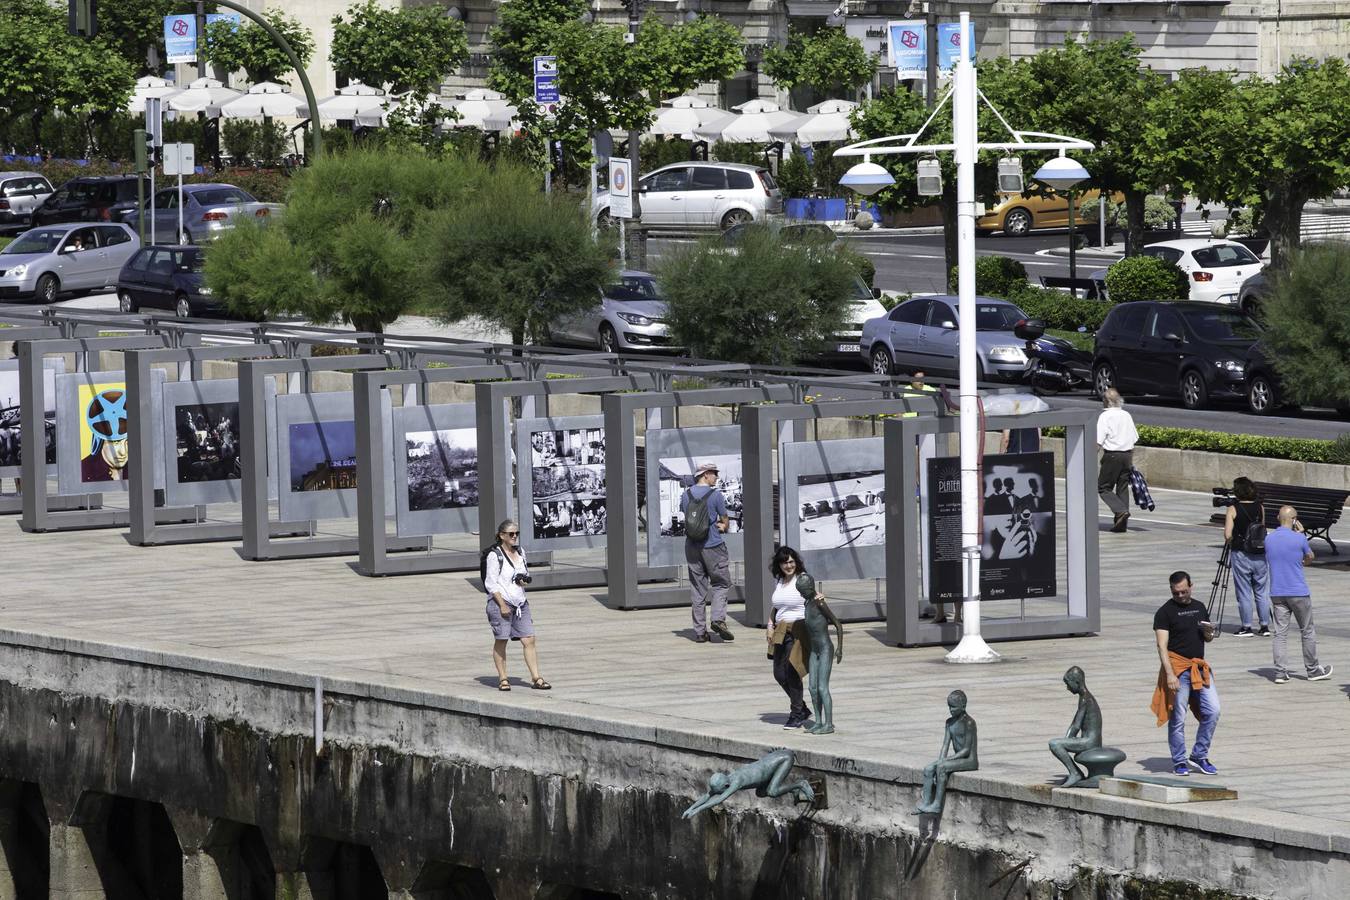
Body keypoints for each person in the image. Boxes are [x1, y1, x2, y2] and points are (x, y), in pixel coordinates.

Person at [1151, 571, 1218, 777]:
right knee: (1178, 716)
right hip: (1178, 669)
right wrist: (1170, 675)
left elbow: (1207, 639)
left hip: (1199, 668)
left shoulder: (1199, 607)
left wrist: (1209, 633)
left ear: (1191, 586)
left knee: (1213, 711)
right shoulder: (1165, 612)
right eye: (1176, 593)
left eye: (1184, 591)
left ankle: (1199, 755)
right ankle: (1179, 760)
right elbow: (1162, 646)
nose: (1180, 596)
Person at [1265, 505, 1333, 684]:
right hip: (1298, 591)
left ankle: (1280, 672)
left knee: (1280, 633)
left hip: (1277, 592)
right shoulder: (1299, 538)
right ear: (1294, 519)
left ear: (1279, 518)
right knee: (1307, 630)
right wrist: (1301, 534)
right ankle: (1312, 669)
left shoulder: (1269, 539)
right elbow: (1309, 557)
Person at [483, 519, 550, 692]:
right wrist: (502, 605)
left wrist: (521, 580)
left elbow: (522, 573)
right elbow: (491, 584)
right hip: (501, 603)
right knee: (501, 640)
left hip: (521, 602)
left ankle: (537, 678)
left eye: (516, 533)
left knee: (529, 639)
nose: (514, 537)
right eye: (511, 534)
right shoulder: (494, 555)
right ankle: (503, 679)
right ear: (501, 535)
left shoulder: (520, 552)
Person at [682, 748, 814, 818]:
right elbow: (708, 795)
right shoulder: (728, 778)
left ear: (726, 786)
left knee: (772, 792)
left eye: (720, 790)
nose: (717, 793)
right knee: (761, 793)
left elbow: (719, 800)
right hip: (774, 760)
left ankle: (800, 784)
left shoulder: (737, 781)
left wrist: (697, 810)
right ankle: (793, 790)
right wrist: (690, 808)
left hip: (784, 759)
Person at [683, 460, 732, 643]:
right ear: (705, 474)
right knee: (721, 583)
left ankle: (700, 632)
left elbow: (687, 515)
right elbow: (724, 519)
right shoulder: (715, 495)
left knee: (697, 588)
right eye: (714, 473)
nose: (717, 477)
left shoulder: (685, 495)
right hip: (713, 545)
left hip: (691, 546)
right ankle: (718, 619)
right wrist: (722, 525)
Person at [766, 546, 811, 729]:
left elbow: (813, 598)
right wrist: (770, 626)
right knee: (779, 673)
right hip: (780, 631)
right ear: (779, 565)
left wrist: (819, 598)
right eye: (785, 562)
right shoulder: (780, 582)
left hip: (798, 630)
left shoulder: (802, 580)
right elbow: (777, 607)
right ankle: (802, 707)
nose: (788, 565)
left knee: (792, 672)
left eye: (791, 561)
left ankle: (796, 713)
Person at [915, 690, 978, 815]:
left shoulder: (969, 723)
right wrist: (940, 759)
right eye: (949, 706)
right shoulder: (949, 722)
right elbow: (945, 745)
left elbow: (966, 750)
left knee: (942, 767)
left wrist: (945, 761)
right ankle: (926, 803)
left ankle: (937, 805)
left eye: (954, 707)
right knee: (928, 769)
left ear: (963, 706)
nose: (951, 710)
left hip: (969, 760)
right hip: (957, 758)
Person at [1223, 477, 1271, 637]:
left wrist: (1231, 540)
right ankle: (1264, 626)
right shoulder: (1260, 507)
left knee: (1244, 591)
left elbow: (1228, 534)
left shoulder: (1233, 508)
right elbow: (1261, 529)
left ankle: (1247, 626)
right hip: (1259, 553)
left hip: (1241, 553)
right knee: (1261, 590)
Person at [1048, 666, 1102, 788]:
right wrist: (1068, 740)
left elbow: (1075, 725)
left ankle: (1075, 773)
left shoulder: (1086, 699)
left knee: (1055, 744)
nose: (1067, 688)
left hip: (1090, 742)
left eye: (1068, 684)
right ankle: (1075, 773)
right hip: (1090, 739)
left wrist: (1066, 741)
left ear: (1077, 682)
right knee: (1058, 743)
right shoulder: (1086, 697)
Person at [1096, 388, 1138, 533]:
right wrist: (1131, 458)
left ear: (1106, 401)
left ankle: (1120, 511)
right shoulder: (1126, 415)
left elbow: (1098, 440)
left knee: (1103, 487)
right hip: (1127, 455)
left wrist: (1089, 456)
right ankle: (1121, 522)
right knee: (1122, 487)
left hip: (1112, 455)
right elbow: (1134, 438)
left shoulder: (1105, 416)